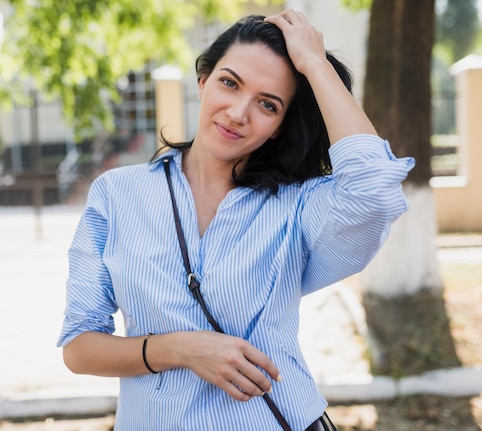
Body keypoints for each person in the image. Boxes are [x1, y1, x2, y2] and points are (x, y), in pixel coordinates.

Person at [57, 10, 414, 431]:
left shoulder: (296, 207)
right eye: (230, 83)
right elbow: (79, 347)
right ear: (203, 81)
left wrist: (315, 64)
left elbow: (375, 188)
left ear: (280, 126)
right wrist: (178, 349)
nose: (238, 112)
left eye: (268, 104)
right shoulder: (117, 195)